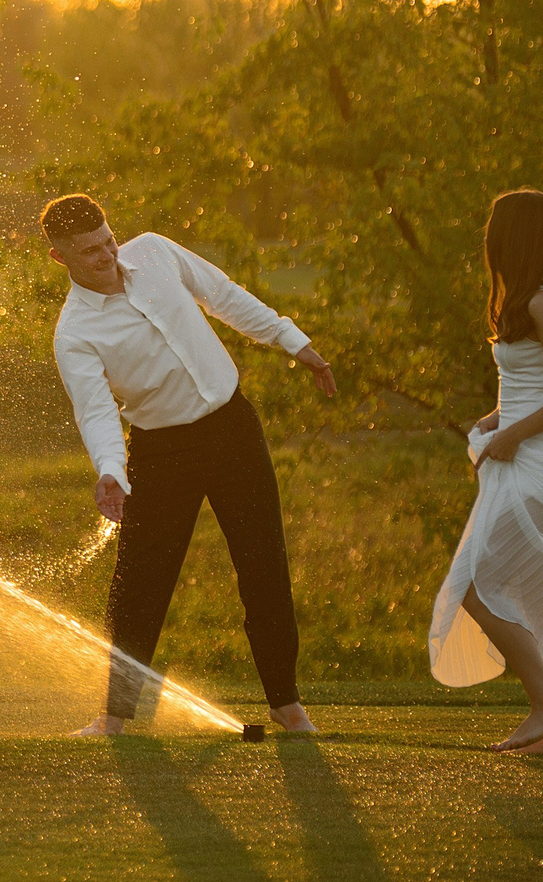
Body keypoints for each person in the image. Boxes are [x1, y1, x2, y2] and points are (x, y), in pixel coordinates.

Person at [40, 194, 336, 738]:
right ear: (61, 258)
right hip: (160, 450)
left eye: (108, 241)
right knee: (139, 584)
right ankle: (114, 715)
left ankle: (286, 704)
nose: (108, 255)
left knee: (263, 565)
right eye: (91, 252)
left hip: (233, 430)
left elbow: (224, 296)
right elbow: (97, 411)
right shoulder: (74, 333)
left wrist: (294, 343)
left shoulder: (153, 252)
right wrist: (111, 471)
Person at [428, 189, 543, 754]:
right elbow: (539, 387)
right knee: (542, 597)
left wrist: (511, 435)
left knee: (474, 585)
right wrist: (499, 417)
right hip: (534, 454)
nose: (488, 242)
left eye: (494, 232)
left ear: (514, 239)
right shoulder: (532, 301)